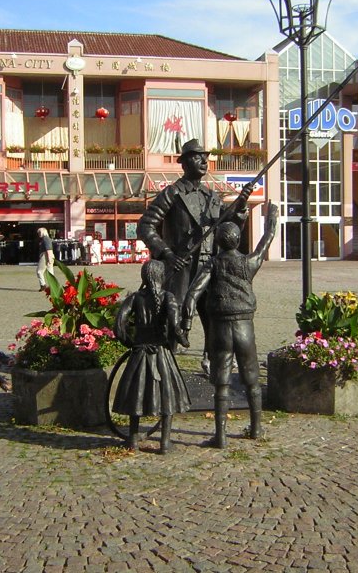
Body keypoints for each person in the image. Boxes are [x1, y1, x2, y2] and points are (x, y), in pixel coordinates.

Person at [137, 138, 253, 368]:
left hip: (209, 266)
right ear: (184, 162)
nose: (203, 161)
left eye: (206, 156)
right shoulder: (173, 193)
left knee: (215, 316)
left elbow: (229, 228)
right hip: (182, 267)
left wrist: (240, 207)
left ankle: (214, 360)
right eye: (197, 156)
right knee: (174, 316)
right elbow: (145, 225)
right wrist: (167, 254)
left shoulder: (212, 196)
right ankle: (166, 362)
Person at [182, 200, 279, 448]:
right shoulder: (248, 263)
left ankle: (221, 436)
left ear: (217, 242)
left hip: (221, 327)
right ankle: (256, 428)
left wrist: (186, 323)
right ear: (238, 240)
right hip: (245, 326)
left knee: (221, 380)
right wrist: (272, 220)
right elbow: (265, 243)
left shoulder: (212, 264)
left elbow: (193, 293)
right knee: (251, 378)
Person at [112, 259, 191, 453]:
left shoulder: (135, 298)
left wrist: (130, 343)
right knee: (167, 396)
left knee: (136, 394)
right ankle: (165, 442)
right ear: (161, 277)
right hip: (161, 353)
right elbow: (174, 326)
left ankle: (132, 439)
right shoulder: (168, 297)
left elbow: (118, 324)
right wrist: (183, 340)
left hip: (140, 352)